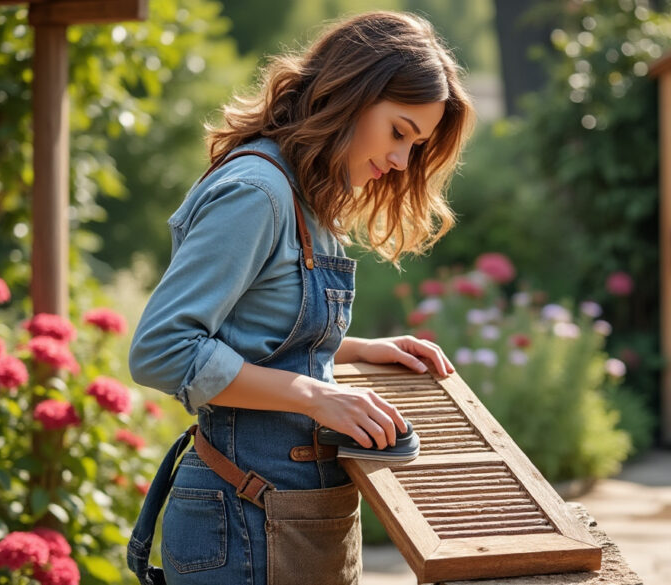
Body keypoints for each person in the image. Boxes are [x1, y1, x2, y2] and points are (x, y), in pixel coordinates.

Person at [125, 10, 474, 585]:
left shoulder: (306, 196)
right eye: (398, 132)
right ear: (351, 93)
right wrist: (316, 396)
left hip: (291, 520)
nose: (400, 162)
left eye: (415, 146)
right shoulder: (257, 194)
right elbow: (162, 349)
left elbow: (256, 345)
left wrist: (357, 350)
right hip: (242, 527)